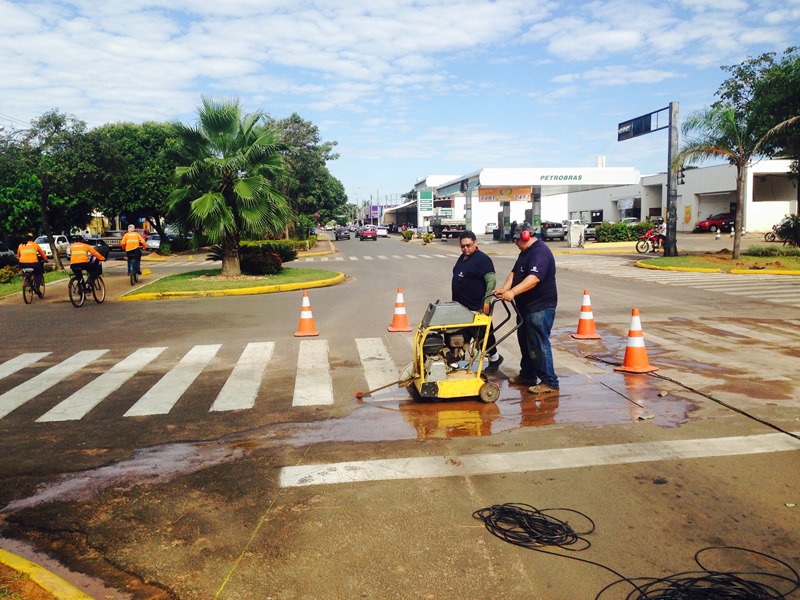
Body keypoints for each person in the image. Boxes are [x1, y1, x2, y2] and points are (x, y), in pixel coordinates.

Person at [493, 222, 559, 394]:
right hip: (525, 307)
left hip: (540, 307)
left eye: (516, 239)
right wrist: (505, 289)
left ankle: (549, 382)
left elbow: (534, 278)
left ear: (525, 235)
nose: (515, 243)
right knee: (526, 343)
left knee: (538, 344)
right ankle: (528, 375)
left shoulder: (540, 252)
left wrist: (513, 292)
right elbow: (514, 273)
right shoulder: (525, 252)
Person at [452, 231, 503, 372]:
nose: (465, 248)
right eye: (462, 246)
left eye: (468, 245)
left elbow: (491, 280)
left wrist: (487, 300)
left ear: (475, 243)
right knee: (460, 334)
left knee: (483, 335)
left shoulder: (482, 259)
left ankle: (494, 358)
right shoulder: (462, 258)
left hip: (476, 306)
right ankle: (455, 360)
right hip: (461, 306)